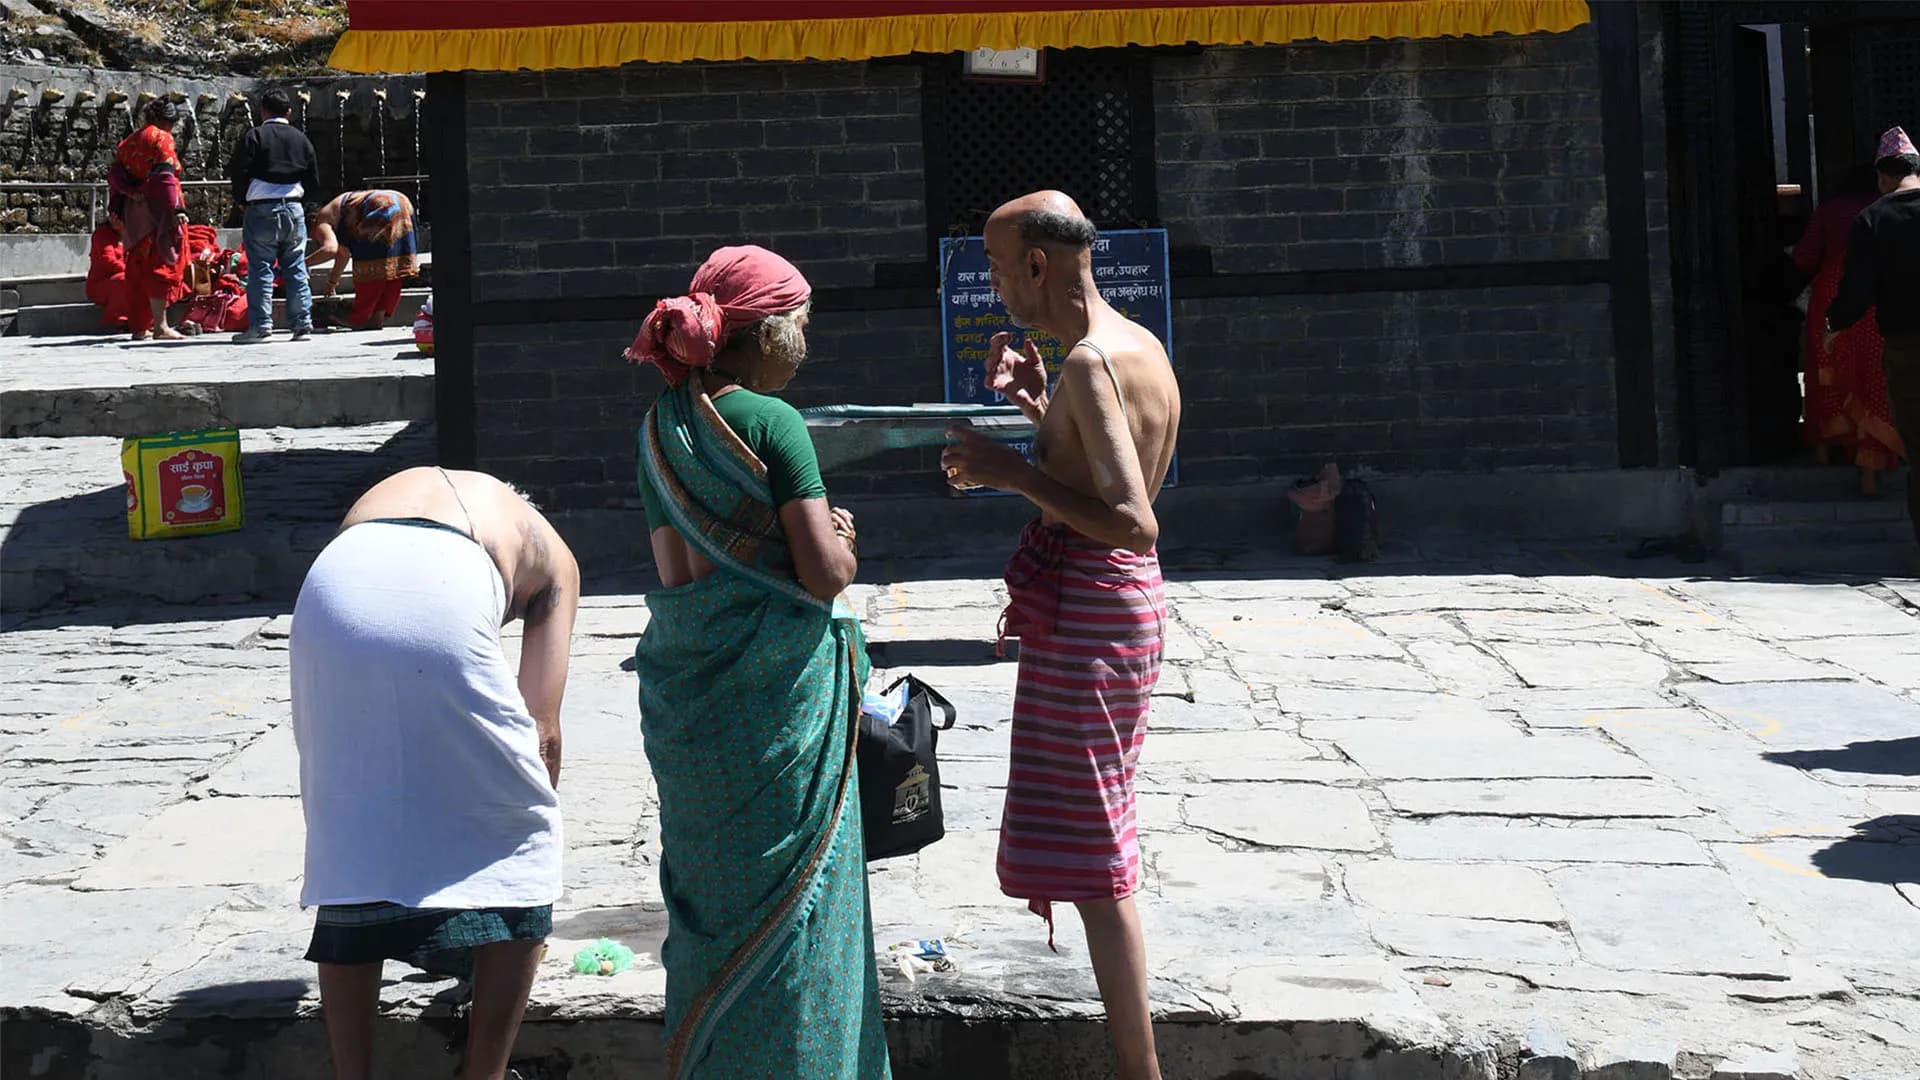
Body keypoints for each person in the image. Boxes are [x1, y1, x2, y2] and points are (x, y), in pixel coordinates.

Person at [626, 246, 889, 1079]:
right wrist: (844, 539)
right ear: (766, 332)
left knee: (715, 907)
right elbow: (823, 575)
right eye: (802, 324)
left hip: (694, 702)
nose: (806, 342)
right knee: (797, 919)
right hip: (779, 707)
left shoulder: (660, 428)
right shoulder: (775, 424)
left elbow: (676, 573)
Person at [939, 191, 1182, 1080]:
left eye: (1001, 267)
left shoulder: (1090, 362)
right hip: (1112, 606)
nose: (997, 285)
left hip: (1094, 606)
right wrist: (1037, 409)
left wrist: (1009, 470)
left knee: (1096, 854)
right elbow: (1094, 459)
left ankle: (1139, 1070)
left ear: (1038, 264)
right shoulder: (1135, 346)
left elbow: (1130, 518)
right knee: (1093, 838)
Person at [291, 467, 579, 1080]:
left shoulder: (423, 489)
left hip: (330, 589)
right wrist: (518, 811)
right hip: (445, 580)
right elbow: (542, 729)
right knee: (521, 832)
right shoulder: (555, 557)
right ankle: (486, 1074)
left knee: (355, 828)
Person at [1828, 126, 1920, 541]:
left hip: (1906, 347)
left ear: (1883, 176)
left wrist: (1836, 324)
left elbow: (1856, 291)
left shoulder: (1874, 218)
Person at [1794, 164, 1902, 493]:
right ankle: (1869, 473)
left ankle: (1824, 453)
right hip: (1873, 302)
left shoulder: (1828, 211)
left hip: (1830, 296)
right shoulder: (1885, 209)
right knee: (1872, 380)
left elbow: (1803, 258)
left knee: (1827, 375)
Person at [227, 87, 318, 343]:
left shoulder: (254, 136)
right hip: (294, 207)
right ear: (289, 112)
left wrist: (242, 201)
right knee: (296, 266)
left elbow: (239, 172)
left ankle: (261, 327)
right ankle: (302, 325)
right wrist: (308, 207)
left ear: (263, 111)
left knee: (260, 269)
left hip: (262, 208)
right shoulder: (301, 139)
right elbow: (313, 177)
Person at [107, 99, 189, 341]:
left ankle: (139, 327)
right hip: (158, 210)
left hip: (134, 210)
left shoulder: (128, 142)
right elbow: (165, 178)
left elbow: (116, 176)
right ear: (168, 121)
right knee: (161, 264)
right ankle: (160, 326)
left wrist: (121, 206)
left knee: (137, 267)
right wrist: (176, 209)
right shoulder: (161, 138)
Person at [308, 189, 420, 330]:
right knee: (392, 267)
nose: (315, 239)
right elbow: (343, 254)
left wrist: (300, 264)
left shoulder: (322, 218)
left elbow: (330, 249)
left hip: (382, 206)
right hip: (402, 201)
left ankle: (358, 318)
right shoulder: (340, 209)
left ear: (312, 222)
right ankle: (376, 318)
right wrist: (332, 283)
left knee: (367, 266)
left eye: (312, 236)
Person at [85, 215, 129, 329]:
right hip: (101, 284)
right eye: (112, 215)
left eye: (119, 216)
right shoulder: (102, 234)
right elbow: (108, 260)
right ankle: (121, 320)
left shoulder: (135, 233)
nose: (115, 219)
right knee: (124, 279)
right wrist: (133, 272)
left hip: (129, 277)